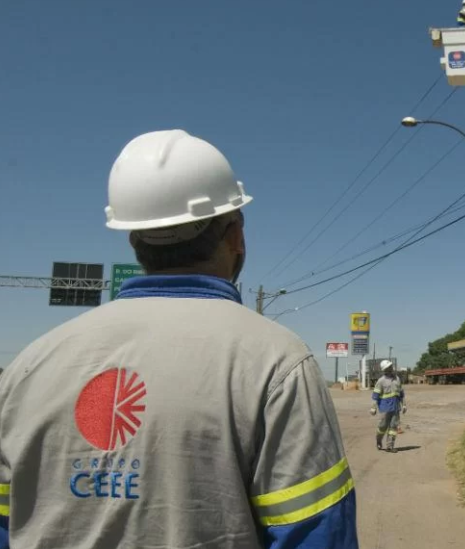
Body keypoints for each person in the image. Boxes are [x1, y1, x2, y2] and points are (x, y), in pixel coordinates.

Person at [0, 130, 358, 548]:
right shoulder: (276, 362)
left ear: (133, 238)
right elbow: (316, 534)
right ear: (236, 234)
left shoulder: (28, 367)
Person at [370, 360, 405, 452]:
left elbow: (401, 394)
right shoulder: (381, 381)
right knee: (382, 427)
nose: (390, 369)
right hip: (384, 408)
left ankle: (390, 446)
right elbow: (375, 396)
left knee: (393, 427)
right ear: (384, 370)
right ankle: (378, 440)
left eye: (391, 367)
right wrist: (373, 407)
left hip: (396, 408)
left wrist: (404, 405)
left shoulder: (397, 379)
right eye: (388, 368)